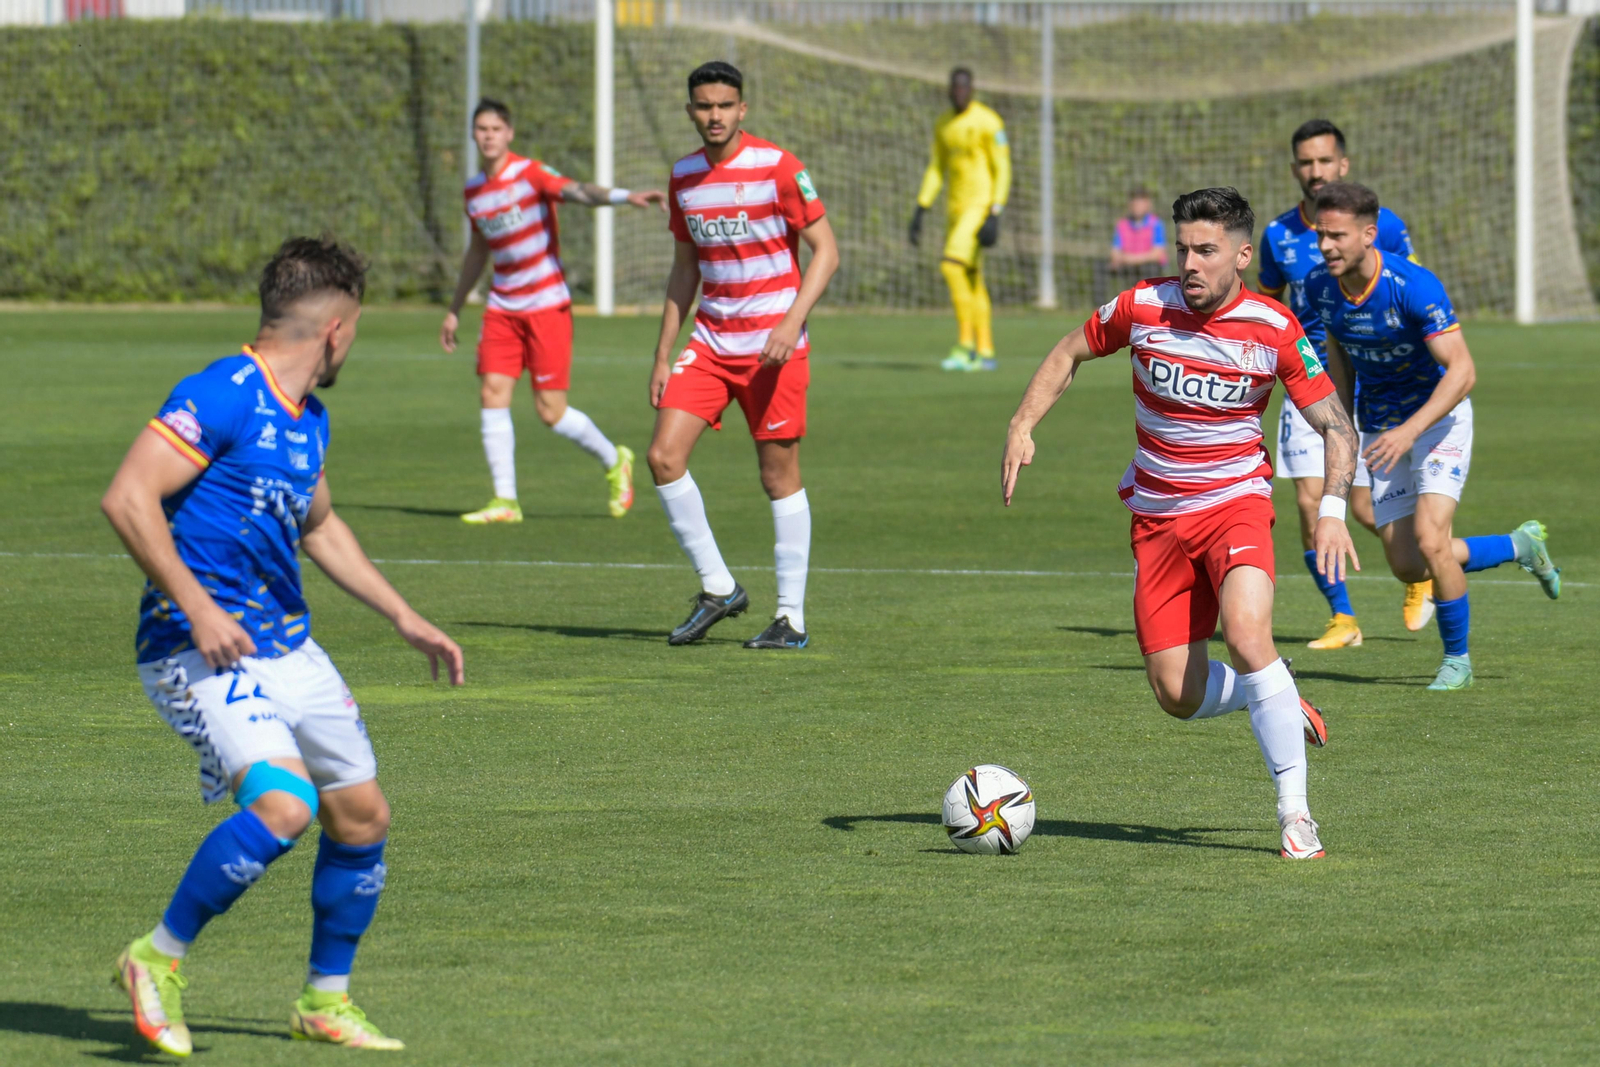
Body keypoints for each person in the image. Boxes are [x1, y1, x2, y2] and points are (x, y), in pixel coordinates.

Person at [102, 236, 465, 1056]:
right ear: (336, 331)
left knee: (362, 814)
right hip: (193, 647)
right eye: (358, 329)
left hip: (285, 645)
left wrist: (403, 616)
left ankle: (323, 1001)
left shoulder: (308, 417)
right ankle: (154, 957)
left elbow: (320, 524)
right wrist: (196, 607)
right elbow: (128, 496)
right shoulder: (221, 393)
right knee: (285, 804)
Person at [1003, 188, 1360, 860]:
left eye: (1207, 250)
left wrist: (1334, 511)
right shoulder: (1142, 306)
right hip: (1158, 519)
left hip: (1236, 504)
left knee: (1247, 632)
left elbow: (1336, 425)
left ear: (1242, 255)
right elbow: (1068, 352)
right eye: (1184, 248)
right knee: (1176, 693)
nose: (1190, 263)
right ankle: (1274, 689)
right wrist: (1023, 424)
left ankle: (1295, 815)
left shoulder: (1274, 328)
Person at [1307, 182, 1560, 691]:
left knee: (1430, 537)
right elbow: (1338, 353)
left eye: (1337, 235)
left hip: (1437, 422)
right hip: (1381, 428)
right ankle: (1519, 545)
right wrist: (1344, 428)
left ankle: (1457, 661)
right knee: (1407, 565)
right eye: (1320, 234)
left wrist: (1411, 430)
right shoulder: (1318, 287)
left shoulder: (1414, 286)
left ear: (1369, 234)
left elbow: (1463, 371)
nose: (1327, 245)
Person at [646, 61, 839, 649]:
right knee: (661, 457)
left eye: (724, 105)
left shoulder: (778, 167)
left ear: (742, 109)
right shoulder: (683, 177)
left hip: (773, 350)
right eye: (704, 106)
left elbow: (826, 252)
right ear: (690, 111)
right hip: (709, 340)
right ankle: (719, 587)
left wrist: (791, 321)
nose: (714, 115)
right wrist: (662, 355)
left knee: (777, 475)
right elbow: (685, 269)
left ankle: (790, 618)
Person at [441, 97, 666, 525]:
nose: (488, 136)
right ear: (474, 135)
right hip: (502, 306)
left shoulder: (531, 174)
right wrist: (455, 308)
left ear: (509, 134)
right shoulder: (474, 191)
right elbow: (478, 251)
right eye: (481, 129)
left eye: (495, 129)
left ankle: (614, 459)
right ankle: (505, 500)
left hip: (546, 304)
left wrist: (623, 196)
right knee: (492, 393)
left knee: (550, 412)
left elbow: (578, 191)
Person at [1257, 118, 1427, 648]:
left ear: (1343, 164)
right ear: (1294, 169)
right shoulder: (1277, 235)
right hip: (1306, 381)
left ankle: (1427, 566)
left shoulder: (1386, 227)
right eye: (1306, 163)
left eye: (1324, 161)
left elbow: (1412, 293)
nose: (1315, 172)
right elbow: (1266, 306)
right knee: (1310, 502)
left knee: (1362, 508)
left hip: (1371, 381)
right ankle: (1343, 619)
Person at [908, 67, 1011, 373]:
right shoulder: (943, 124)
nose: (959, 92)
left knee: (950, 266)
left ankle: (965, 346)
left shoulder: (988, 121)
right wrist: (921, 207)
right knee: (971, 278)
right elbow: (937, 167)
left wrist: (995, 211)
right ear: (949, 89)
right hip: (954, 211)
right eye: (955, 87)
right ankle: (986, 351)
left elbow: (1002, 168)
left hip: (979, 207)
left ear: (972, 89)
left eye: (965, 87)